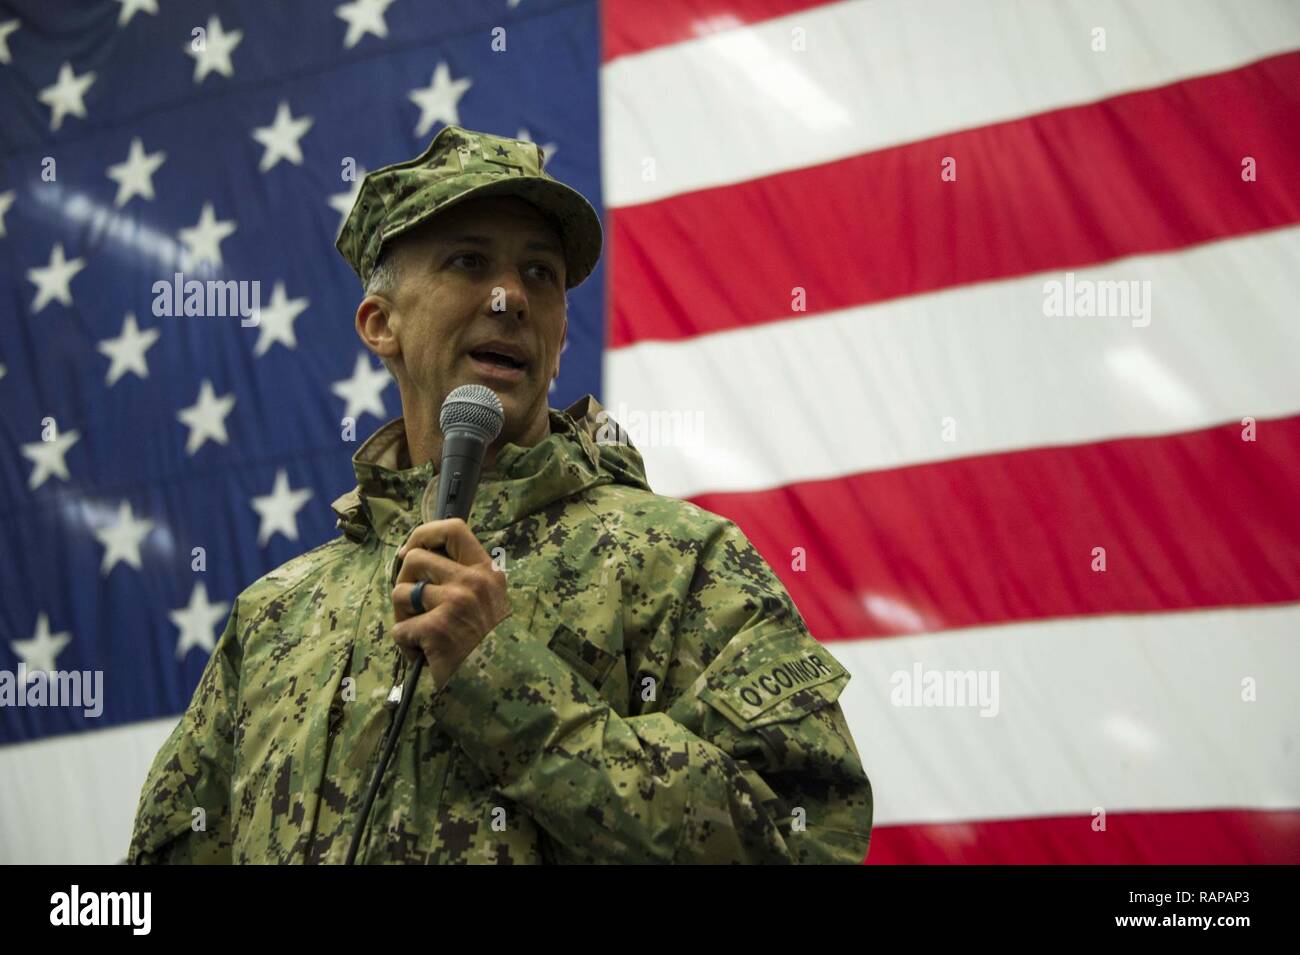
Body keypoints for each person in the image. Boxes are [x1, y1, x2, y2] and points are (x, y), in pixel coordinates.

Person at [127, 125, 873, 864]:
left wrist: (501, 678)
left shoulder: (680, 562)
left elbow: (806, 839)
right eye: (468, 261)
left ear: (559, 331)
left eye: (540, 274)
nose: (510, 296)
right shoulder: (275, 617)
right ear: (380, 324)